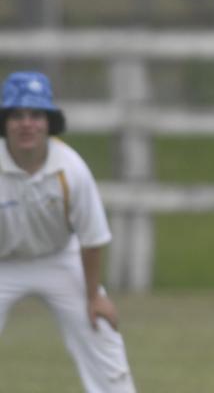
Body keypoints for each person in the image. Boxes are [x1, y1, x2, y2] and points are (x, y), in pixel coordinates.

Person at [0, 71, 137, 393]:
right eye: (17, 115)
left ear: (49, 122)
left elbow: (92, 238)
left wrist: (93, 298)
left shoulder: (71, 169)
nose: (26, 124)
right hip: (2, 263)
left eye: (36, 115)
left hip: (59, 258)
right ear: (5, 122)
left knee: (100, 327)